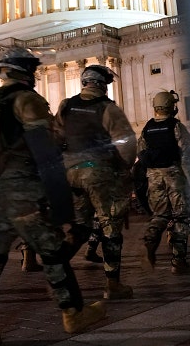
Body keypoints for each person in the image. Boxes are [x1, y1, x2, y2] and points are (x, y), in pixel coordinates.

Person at [0, 48, 105, 346]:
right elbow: (46, 152)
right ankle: (72, 313)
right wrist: (61, 201)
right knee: (52, 252)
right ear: (28, 72)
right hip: (22, 192)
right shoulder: (28, 101)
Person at [54, 64, 138, 299]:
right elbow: (127, 144)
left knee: (80, 226)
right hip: (99, 173)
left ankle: (57, 267)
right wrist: (124, 167)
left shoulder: (66, 105)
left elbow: (55, 135)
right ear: (102, 85)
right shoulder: (108, 108)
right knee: (110, 227)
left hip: (72, 173)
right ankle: (113, 285)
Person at [137, 90, 190, 274]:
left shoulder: (147, 128)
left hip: (153, 177)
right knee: (180, 216)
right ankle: (178, 261)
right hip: (174, 174)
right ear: (171, 106)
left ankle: (149, 243)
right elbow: (186, 155)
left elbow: (141, 152)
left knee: (159, 215)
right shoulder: (176, 126)